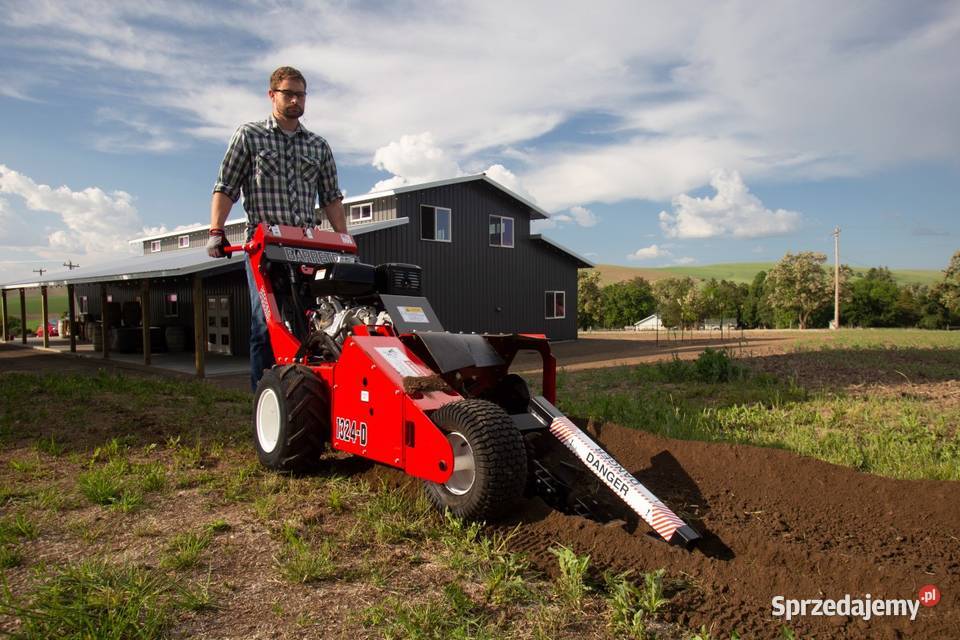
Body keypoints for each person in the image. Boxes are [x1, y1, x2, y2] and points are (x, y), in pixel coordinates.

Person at [207, 66, 349, 391]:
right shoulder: (250, 136)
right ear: (272, 95)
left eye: (301, 94)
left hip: (308, 247)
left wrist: (344, 239)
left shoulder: (318, 145)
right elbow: (226, 186)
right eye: (289, 93)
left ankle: (304, 394)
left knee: (313, 321)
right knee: (264, 324)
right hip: (264, 247)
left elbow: (331, 197)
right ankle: (265, 398)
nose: (296, 100)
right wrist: (216, 230)